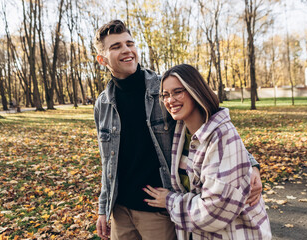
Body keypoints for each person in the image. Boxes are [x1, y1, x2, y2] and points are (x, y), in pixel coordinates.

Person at [93, 20, 263, 240]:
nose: (126, 50)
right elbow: (108, 161)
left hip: (159, 208)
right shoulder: (103, 104)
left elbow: (210, 119)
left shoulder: (163, 89)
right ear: (102, 59)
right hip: (120, 210)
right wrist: (103, 208)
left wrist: (251, 163)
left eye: (129, 43)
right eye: (116, 47)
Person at [143, 64, 271, 239]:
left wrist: (169, 200)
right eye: (165, 95)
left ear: (195, 90)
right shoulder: (180, 131)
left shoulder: (221, 135)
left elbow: (213, 212)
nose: (170, 100)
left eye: (178, 92)